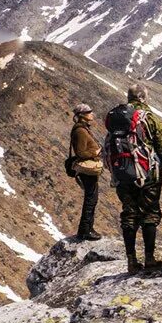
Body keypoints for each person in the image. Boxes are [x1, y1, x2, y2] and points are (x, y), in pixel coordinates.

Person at [104, 84, 162, 274]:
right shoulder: (149, 118)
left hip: (122, 174)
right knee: (150, 213)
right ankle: (149, 258)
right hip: (148, 174)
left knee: (129, 213)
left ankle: (131, 261)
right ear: (143, 97)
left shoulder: (118, 118)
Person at [69, 103, 103, 241]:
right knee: (91, 198)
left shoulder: (83, 129)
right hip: (86, 169)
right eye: (89, 112)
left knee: (92, 198)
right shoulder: (80, 131)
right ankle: (85, 230)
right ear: (82, 115)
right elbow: (81, 152)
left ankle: (88, 228)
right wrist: (95, 152)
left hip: (88, 169)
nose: (92, 114)